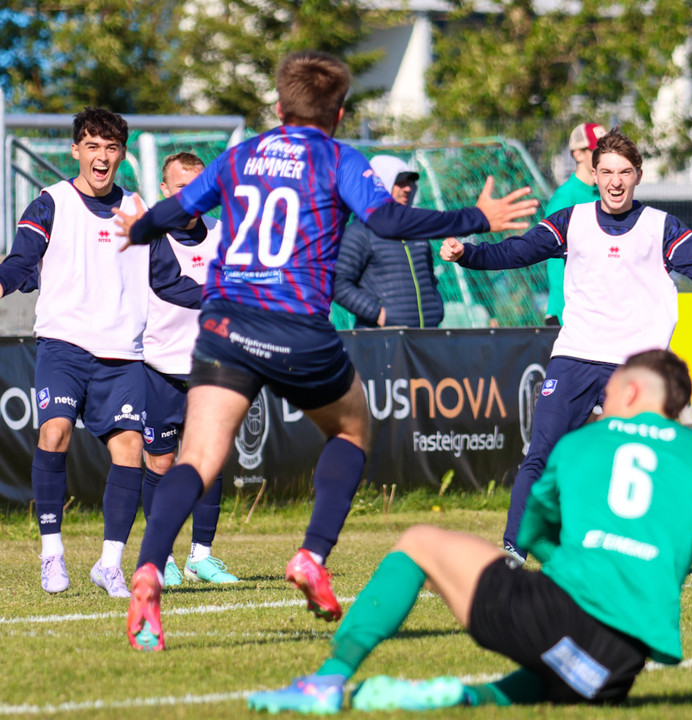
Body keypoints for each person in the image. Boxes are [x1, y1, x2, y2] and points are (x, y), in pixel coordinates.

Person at [114, 49, 538, 651]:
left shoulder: (239, 156)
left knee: (199, 456)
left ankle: (150, 569)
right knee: (351, 431)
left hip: (227, 321)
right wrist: (474, 217)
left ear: (279, 107)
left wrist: (135, 228)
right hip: (296, 327)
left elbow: (175, 210)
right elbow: (387, 221)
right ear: (338, 114)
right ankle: (312, 555)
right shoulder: (338, 158)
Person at [246, 349, 692, 714]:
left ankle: (328, 680)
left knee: (419, 542)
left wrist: (563, 561)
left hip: (557, 620)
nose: (604, 398)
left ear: (635, 390)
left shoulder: (581, 443)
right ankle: (464, 699)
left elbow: (531, 529)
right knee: (554, 668)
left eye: (612, 388)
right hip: (616, 667)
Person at [442, 128, 692, 562]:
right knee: (541, 454)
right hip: (576, 357)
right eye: (607, 172)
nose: (615, 181)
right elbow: (517, 252)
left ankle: (643, 549)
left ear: (638, 176)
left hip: (637, 368)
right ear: (594, 175)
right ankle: (514, 550)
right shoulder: (571, 220)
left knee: (647, 463)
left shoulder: (662, 227)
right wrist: (468, 254)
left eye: (624, 172)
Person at [0, 108, 199, 597]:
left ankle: (109, 565)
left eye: (111, 148)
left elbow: (168, 280)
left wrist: (226, 297)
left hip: (123, 354)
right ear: (76, 151)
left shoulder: (138, 210)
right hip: (64, 345)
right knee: (55, 431)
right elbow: (20, 263)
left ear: (122, 155)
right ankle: (52, 554)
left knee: (130, 451)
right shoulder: (51, 202)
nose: (101, 157)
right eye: (92, 146)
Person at [142, 152, 238, 586]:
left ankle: (201, 557)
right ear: (165, 190)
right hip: (159, 367)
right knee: (161, 463)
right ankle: (160, 556)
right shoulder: (151, 236)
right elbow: (170, 286)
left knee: (209, 461)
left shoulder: (223, 232)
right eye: (181, 187)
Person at [333, 155, 444, 328]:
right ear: (381, 183)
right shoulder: (360, 232)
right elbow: (337, 283)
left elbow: (429, 278)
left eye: (411, 182)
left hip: (426, 336)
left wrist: (436, 308)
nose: (407, 188)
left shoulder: (417, 230)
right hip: (382, 338)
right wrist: (378, 314)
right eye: (400, 182)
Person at [544, 122, 605, 325]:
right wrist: (565, 314)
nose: (604, 156)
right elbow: (555, 262)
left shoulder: (606, 196)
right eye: (597, 151)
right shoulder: (565, 199)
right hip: (570, 315)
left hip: (597, 311)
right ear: (578, 154)